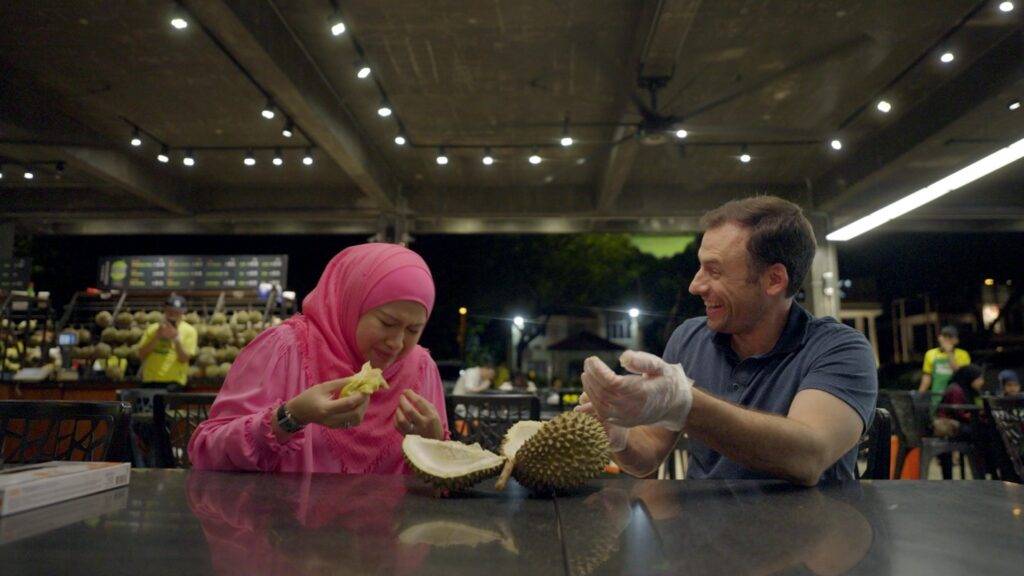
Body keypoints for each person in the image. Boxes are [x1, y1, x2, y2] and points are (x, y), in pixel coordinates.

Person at [578, 196, 878, 485]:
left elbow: (809, 457)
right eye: (700, 267)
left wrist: (684, 403)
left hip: (811, 530)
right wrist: (619, 436)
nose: (695, 286)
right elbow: (648, 456)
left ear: (774, 279)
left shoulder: (840, 349)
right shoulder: (689, 339)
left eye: (714, 270)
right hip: (704, 529)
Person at [188, 244, 449, 473]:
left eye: (414, 330)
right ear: (351, 303)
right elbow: (207, 452)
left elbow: (445, 485)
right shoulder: (284, 349)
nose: (397, 342)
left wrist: (434, 445)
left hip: (392, 530)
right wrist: (291, 418)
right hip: (282, 526)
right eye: (387, 323)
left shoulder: (421, 370)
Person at [138, 294, 197, 390]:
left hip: (175, 383)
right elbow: (141, 354)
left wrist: (176, 338)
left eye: (177, 312)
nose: (173, 314)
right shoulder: (152, 329)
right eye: (170, 311)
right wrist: (157, 336)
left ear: (183, 312)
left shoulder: (190, 331)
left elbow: (184, 359)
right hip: (150, 381)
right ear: (165, 310)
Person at [918, 325, 971, 411]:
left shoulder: (963, 354)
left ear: (956, 340)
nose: (946, 339)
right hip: (936, 396)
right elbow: (927, 376)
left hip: (957, 398)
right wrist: (919, 395)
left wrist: (949, 352)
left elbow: (960, 374)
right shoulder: (930, 354)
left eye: (950, 337)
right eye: (944, 336)